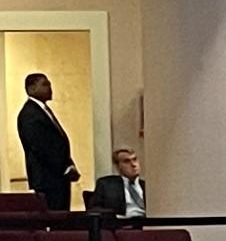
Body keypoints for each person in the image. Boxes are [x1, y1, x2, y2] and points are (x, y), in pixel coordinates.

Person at [15, 74, 78, 211]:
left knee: (61, 218)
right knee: (53, 218)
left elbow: (58, 143)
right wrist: (64, 167)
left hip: (57, 178)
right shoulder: (30, 114)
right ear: (31, 88)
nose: (50, 88)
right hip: (47, 179)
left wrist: (69, 164)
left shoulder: (42, 111)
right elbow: (41, 147)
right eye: (44, 84)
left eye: (49, 84)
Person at [93, 147, 147, 218]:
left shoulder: (147, 186)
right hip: (122, 224)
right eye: (127, 161)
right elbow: (94, 209)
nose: (133, 164)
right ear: (118, 166)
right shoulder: (106, 185)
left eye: (135, 159)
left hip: (147, 223)